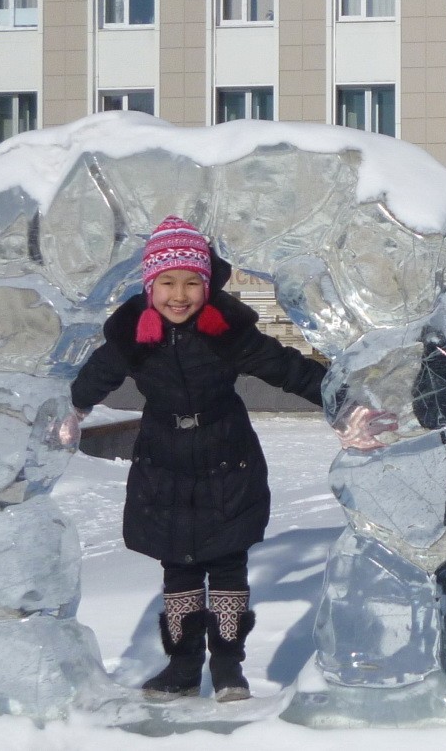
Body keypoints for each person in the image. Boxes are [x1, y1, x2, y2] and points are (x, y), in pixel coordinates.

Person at [63, 216, 332, 702]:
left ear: (206, 286)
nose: (179, 295)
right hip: (164, 465)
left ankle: (229, 668)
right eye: (167, 283)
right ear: (150, 285)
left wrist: (341, 396)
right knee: (180, 569)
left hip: (228, 459)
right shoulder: (133, 334)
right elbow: (96, 375)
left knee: (228, 565)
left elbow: (284, 367)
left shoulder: (226, 331)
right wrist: (72, 410)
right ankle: (183, 667)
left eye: (191, 283)